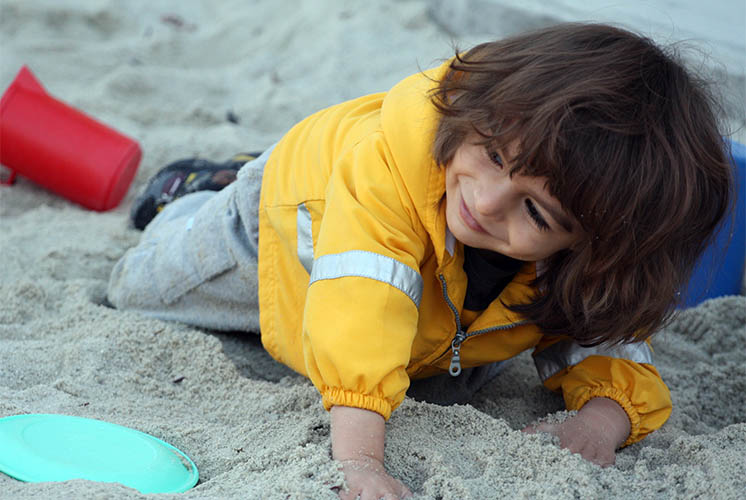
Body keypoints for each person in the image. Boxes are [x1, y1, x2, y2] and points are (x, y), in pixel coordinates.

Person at [107, 23, 733, 500]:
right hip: (285, 217)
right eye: (492, 156)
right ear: (480, 116)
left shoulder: (584, 251)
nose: (486, 205)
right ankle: (195, 187)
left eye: (536, 213)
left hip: (433, 299)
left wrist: (601, 423)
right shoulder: (388, 178)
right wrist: (361, 465)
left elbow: (609, 335)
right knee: (136, 289)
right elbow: (360, 309)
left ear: (594, 246)